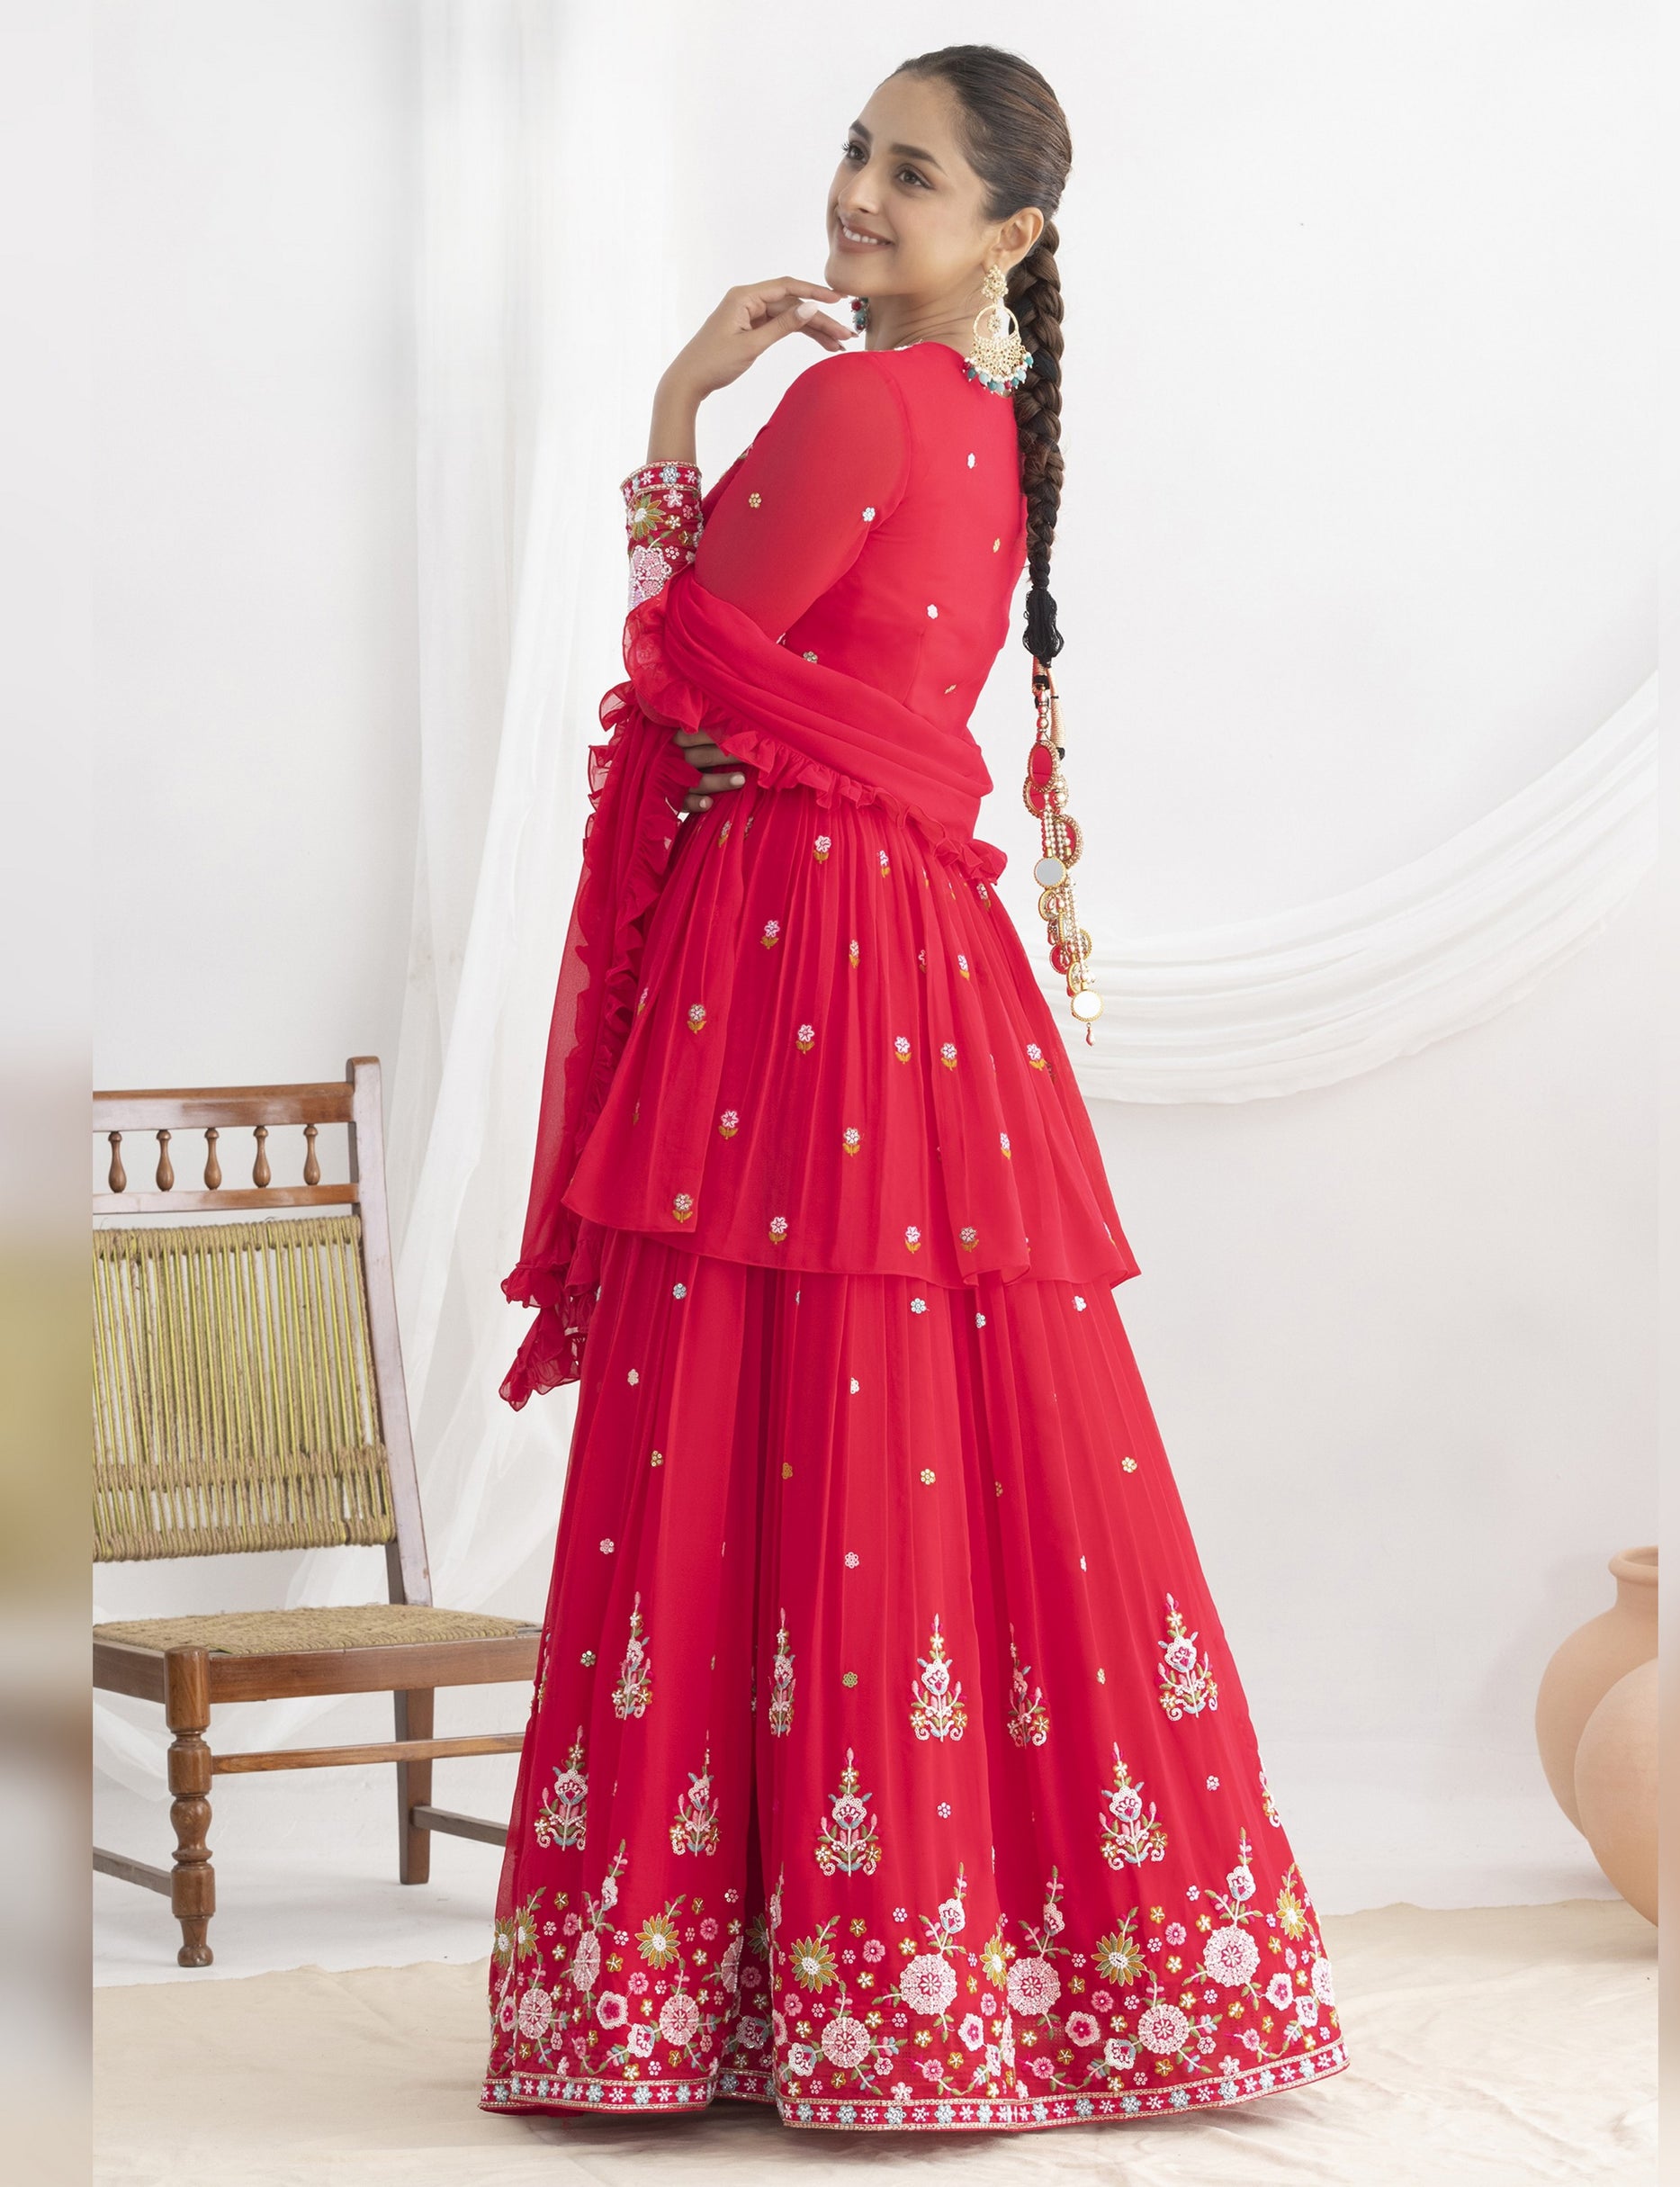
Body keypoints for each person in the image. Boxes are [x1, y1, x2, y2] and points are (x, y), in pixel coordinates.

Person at [481, 44, 1346, 2135]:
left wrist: (673, 413)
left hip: (792, 958)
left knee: (758, 1414)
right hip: (925, 978)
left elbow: (681, 668)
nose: (860, 195)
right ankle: (1037, 1967)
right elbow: (757, 689)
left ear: (1011, 236)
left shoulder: (846, 400)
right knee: (945, 1424)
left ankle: (723, 1992)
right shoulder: (980, 420)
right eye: (859, 153)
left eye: (915, 173)